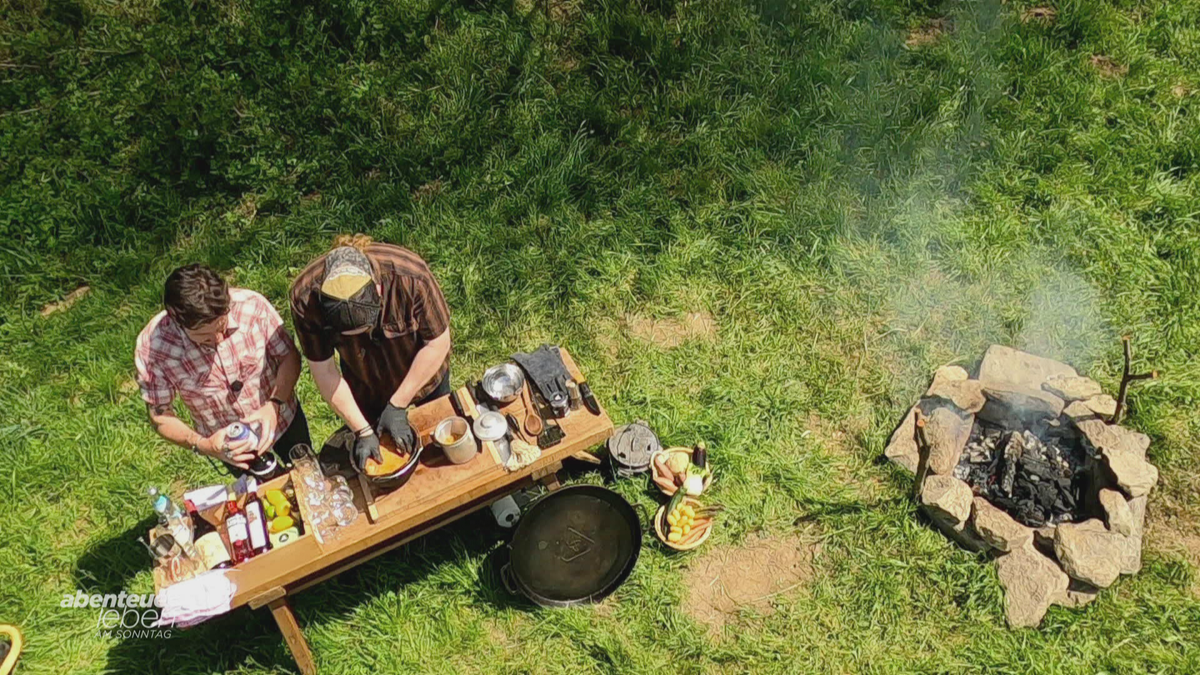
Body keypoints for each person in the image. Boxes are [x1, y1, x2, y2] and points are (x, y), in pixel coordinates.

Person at [289, 234, 452, 472]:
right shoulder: (305, 300)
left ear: (378, 289)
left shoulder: (410, 276)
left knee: (441, 442)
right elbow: (324, 370)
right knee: (380, 458)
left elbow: (438, 342)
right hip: (365, 384)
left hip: (423, 376)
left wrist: (398, 404)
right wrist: (362, 430)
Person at [135, 263, 311, 475]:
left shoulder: (252, 306)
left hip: (282, 415)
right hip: (230, 446)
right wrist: (203, 444)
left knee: (310, 475)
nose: (218, 339)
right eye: (204, 337)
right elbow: (160, 415)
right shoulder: (154, 347)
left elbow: (288, 357)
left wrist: (274, 404)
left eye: (222, 327)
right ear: (176, 322)